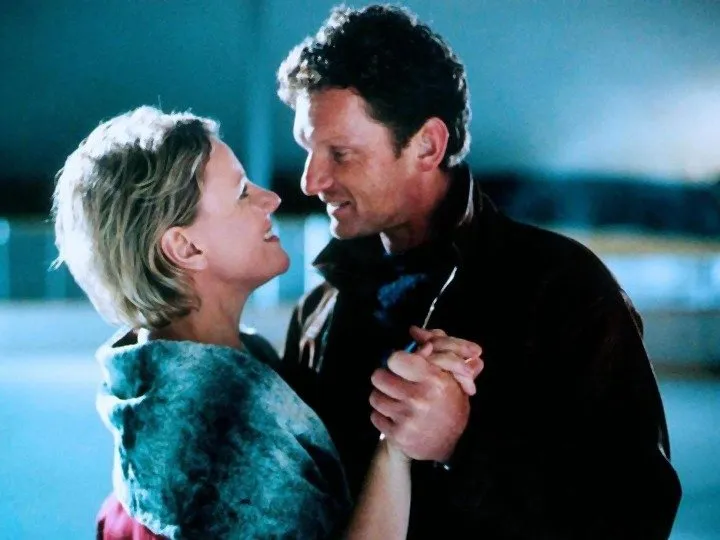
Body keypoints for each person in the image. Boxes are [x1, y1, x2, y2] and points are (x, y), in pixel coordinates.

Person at [274, 4, 682, 539]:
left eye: (340, 153)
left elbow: (641, 511)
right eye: (308, 150)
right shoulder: (319, 308)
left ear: (427, 145)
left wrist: (461, 442)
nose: (310, 181)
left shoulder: (562, 288)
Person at [52, 106, 481, 539]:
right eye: (241, 192)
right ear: (185, 248)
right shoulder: (218, 435)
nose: (271, 199)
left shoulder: (175, 384)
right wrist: (396, 447)